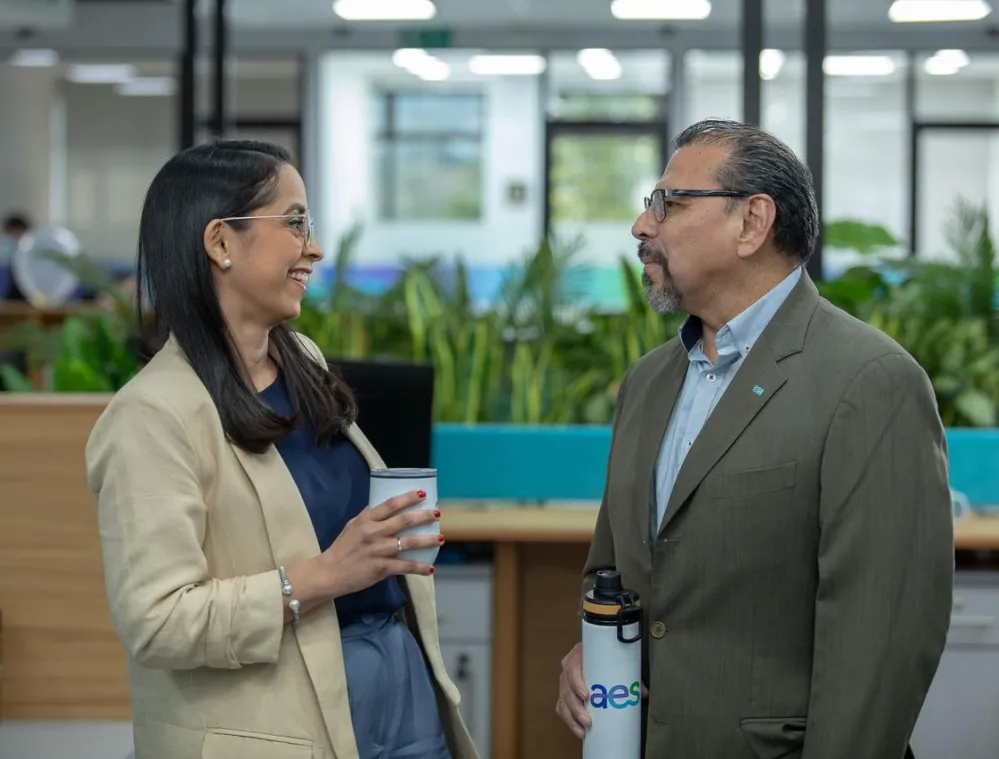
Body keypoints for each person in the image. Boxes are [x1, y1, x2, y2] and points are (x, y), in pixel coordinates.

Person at [555, 119, 954, 759]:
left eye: (668, 203)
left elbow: (880, 650)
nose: (641, 226)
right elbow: (612, 573)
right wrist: (593, 649)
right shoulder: (648, 382)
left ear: (752, 222)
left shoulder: (871, 381)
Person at [85, 140, 478, 759]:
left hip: (396, 684)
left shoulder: (303, 361)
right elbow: (157, 621)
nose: (313, 249)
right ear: (221, 241)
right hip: (273, 720)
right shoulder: (152, 415)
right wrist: (326, 574)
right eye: (294, 223)